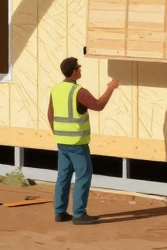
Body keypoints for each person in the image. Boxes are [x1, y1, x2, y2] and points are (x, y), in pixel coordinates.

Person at [48, 57, 119, 225]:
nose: (80, 70)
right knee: (83, 175)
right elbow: (98, 105)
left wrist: (58, 133)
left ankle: (60, 212)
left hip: (62, 141)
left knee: (63, 176)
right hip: (77, 143)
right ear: (73, 71)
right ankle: (79, 214)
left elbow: (50, 114)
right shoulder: (78, 91)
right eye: (79, 67)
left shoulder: (56, 89)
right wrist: (111, 88)